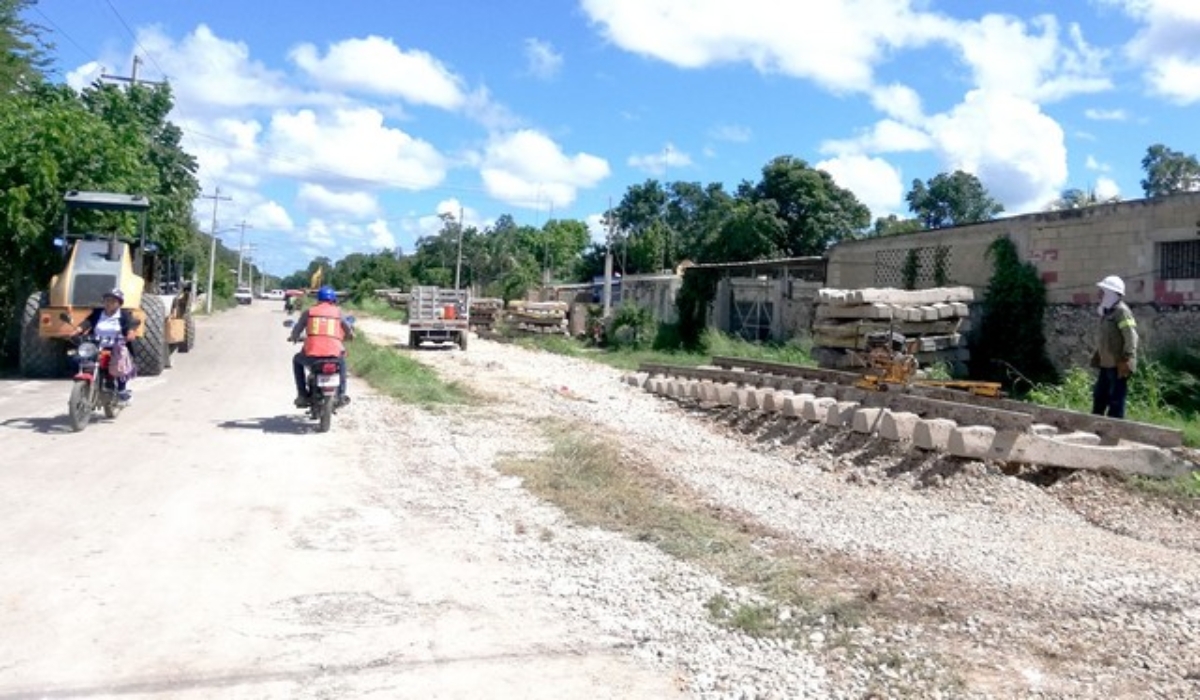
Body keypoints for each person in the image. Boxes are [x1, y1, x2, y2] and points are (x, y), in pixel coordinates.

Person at [289, 285, 355, 407]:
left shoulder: (309, 312)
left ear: (318, 299)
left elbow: (297, 329)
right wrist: (350, 336)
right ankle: (341, 395)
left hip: (312, 356)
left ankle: (302, 395)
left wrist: (294, 337)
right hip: (334, 356)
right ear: (333, 300)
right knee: (342, 366)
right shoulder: (338, 313)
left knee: (296, 360)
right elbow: (349, 331)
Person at [75, 288, 140, 402]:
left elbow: (131, 323)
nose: (108, 303)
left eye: (112, 301)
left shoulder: (124, 314)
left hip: (116, 346)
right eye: (106, 300)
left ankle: (121, 390)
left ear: (119, 303)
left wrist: (130, 332)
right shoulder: (98, 313)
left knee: (119, 362)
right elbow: (88, 322)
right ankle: (87, 386)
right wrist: (78, 329)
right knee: (80, 358)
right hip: (97, 345)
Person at [1091, 275, 1138, 419]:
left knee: (1116, 399)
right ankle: (1095, 424)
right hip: (1106, 363)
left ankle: (1114, 430)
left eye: (1103, 291)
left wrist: (1127, 357)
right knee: (1100, 396)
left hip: (1118, 364)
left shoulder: (1121, 312)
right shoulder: (1107, 312)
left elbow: (1131, 336)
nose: (1099, 294)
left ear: (1111, 294)